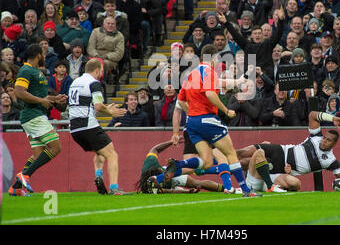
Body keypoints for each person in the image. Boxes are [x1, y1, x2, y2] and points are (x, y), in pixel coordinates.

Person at [162, 44, 261, 197]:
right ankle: (246, 190)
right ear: (215, 57)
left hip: (192, 123)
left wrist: (238, 81)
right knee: (230, 154)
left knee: (207, 162)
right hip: (207, 120)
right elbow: (210, 94)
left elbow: (181, 101)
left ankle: (178, 165)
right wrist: (226, 110)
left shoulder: (191, 74)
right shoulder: (210, 71)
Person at [236, 111, 340, 192]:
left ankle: (249, 180)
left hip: (283, 167)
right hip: (281, 150)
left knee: (246, 162)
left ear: (334, 144)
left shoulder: (330, 161)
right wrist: (332, 118)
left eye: (328, 140)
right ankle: (219, 160)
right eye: (325, 138)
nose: (324, 141)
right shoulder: (316, 137)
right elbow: (312, 115)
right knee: (241, 153)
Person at [8, 44, 67, 196]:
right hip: (33, 116)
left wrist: (55, 98)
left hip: (34, 115)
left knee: (38, 154)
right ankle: (25, 176)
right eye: (43, 53)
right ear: (37, 55)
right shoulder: (26, 70)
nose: (44, 56)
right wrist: (41, 102)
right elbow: (19, 92)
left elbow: (41, 97)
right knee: (55, 147)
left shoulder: (35, 72)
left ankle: (15, 187)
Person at [68, 58, 129, 195]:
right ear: (97, 70)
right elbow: (98, 106)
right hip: (88, 125)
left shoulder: (75, 82)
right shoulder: (94, 83)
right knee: (112, 154)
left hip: (74, 129)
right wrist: (110, 111)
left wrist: (106, 108)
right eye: (101, 70)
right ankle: (114, 188)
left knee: (100, 152)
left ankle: (99, 177)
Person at [136, 139, 226, 194]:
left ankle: (224, 188)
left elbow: (155, 149)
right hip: (169, 184)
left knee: (197, 183)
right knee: (195, 176)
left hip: (170, 173)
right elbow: (169, 191)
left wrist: (171, 142)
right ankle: (226, 186)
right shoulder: (149, 187)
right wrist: (185, 191)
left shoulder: (151, 162)